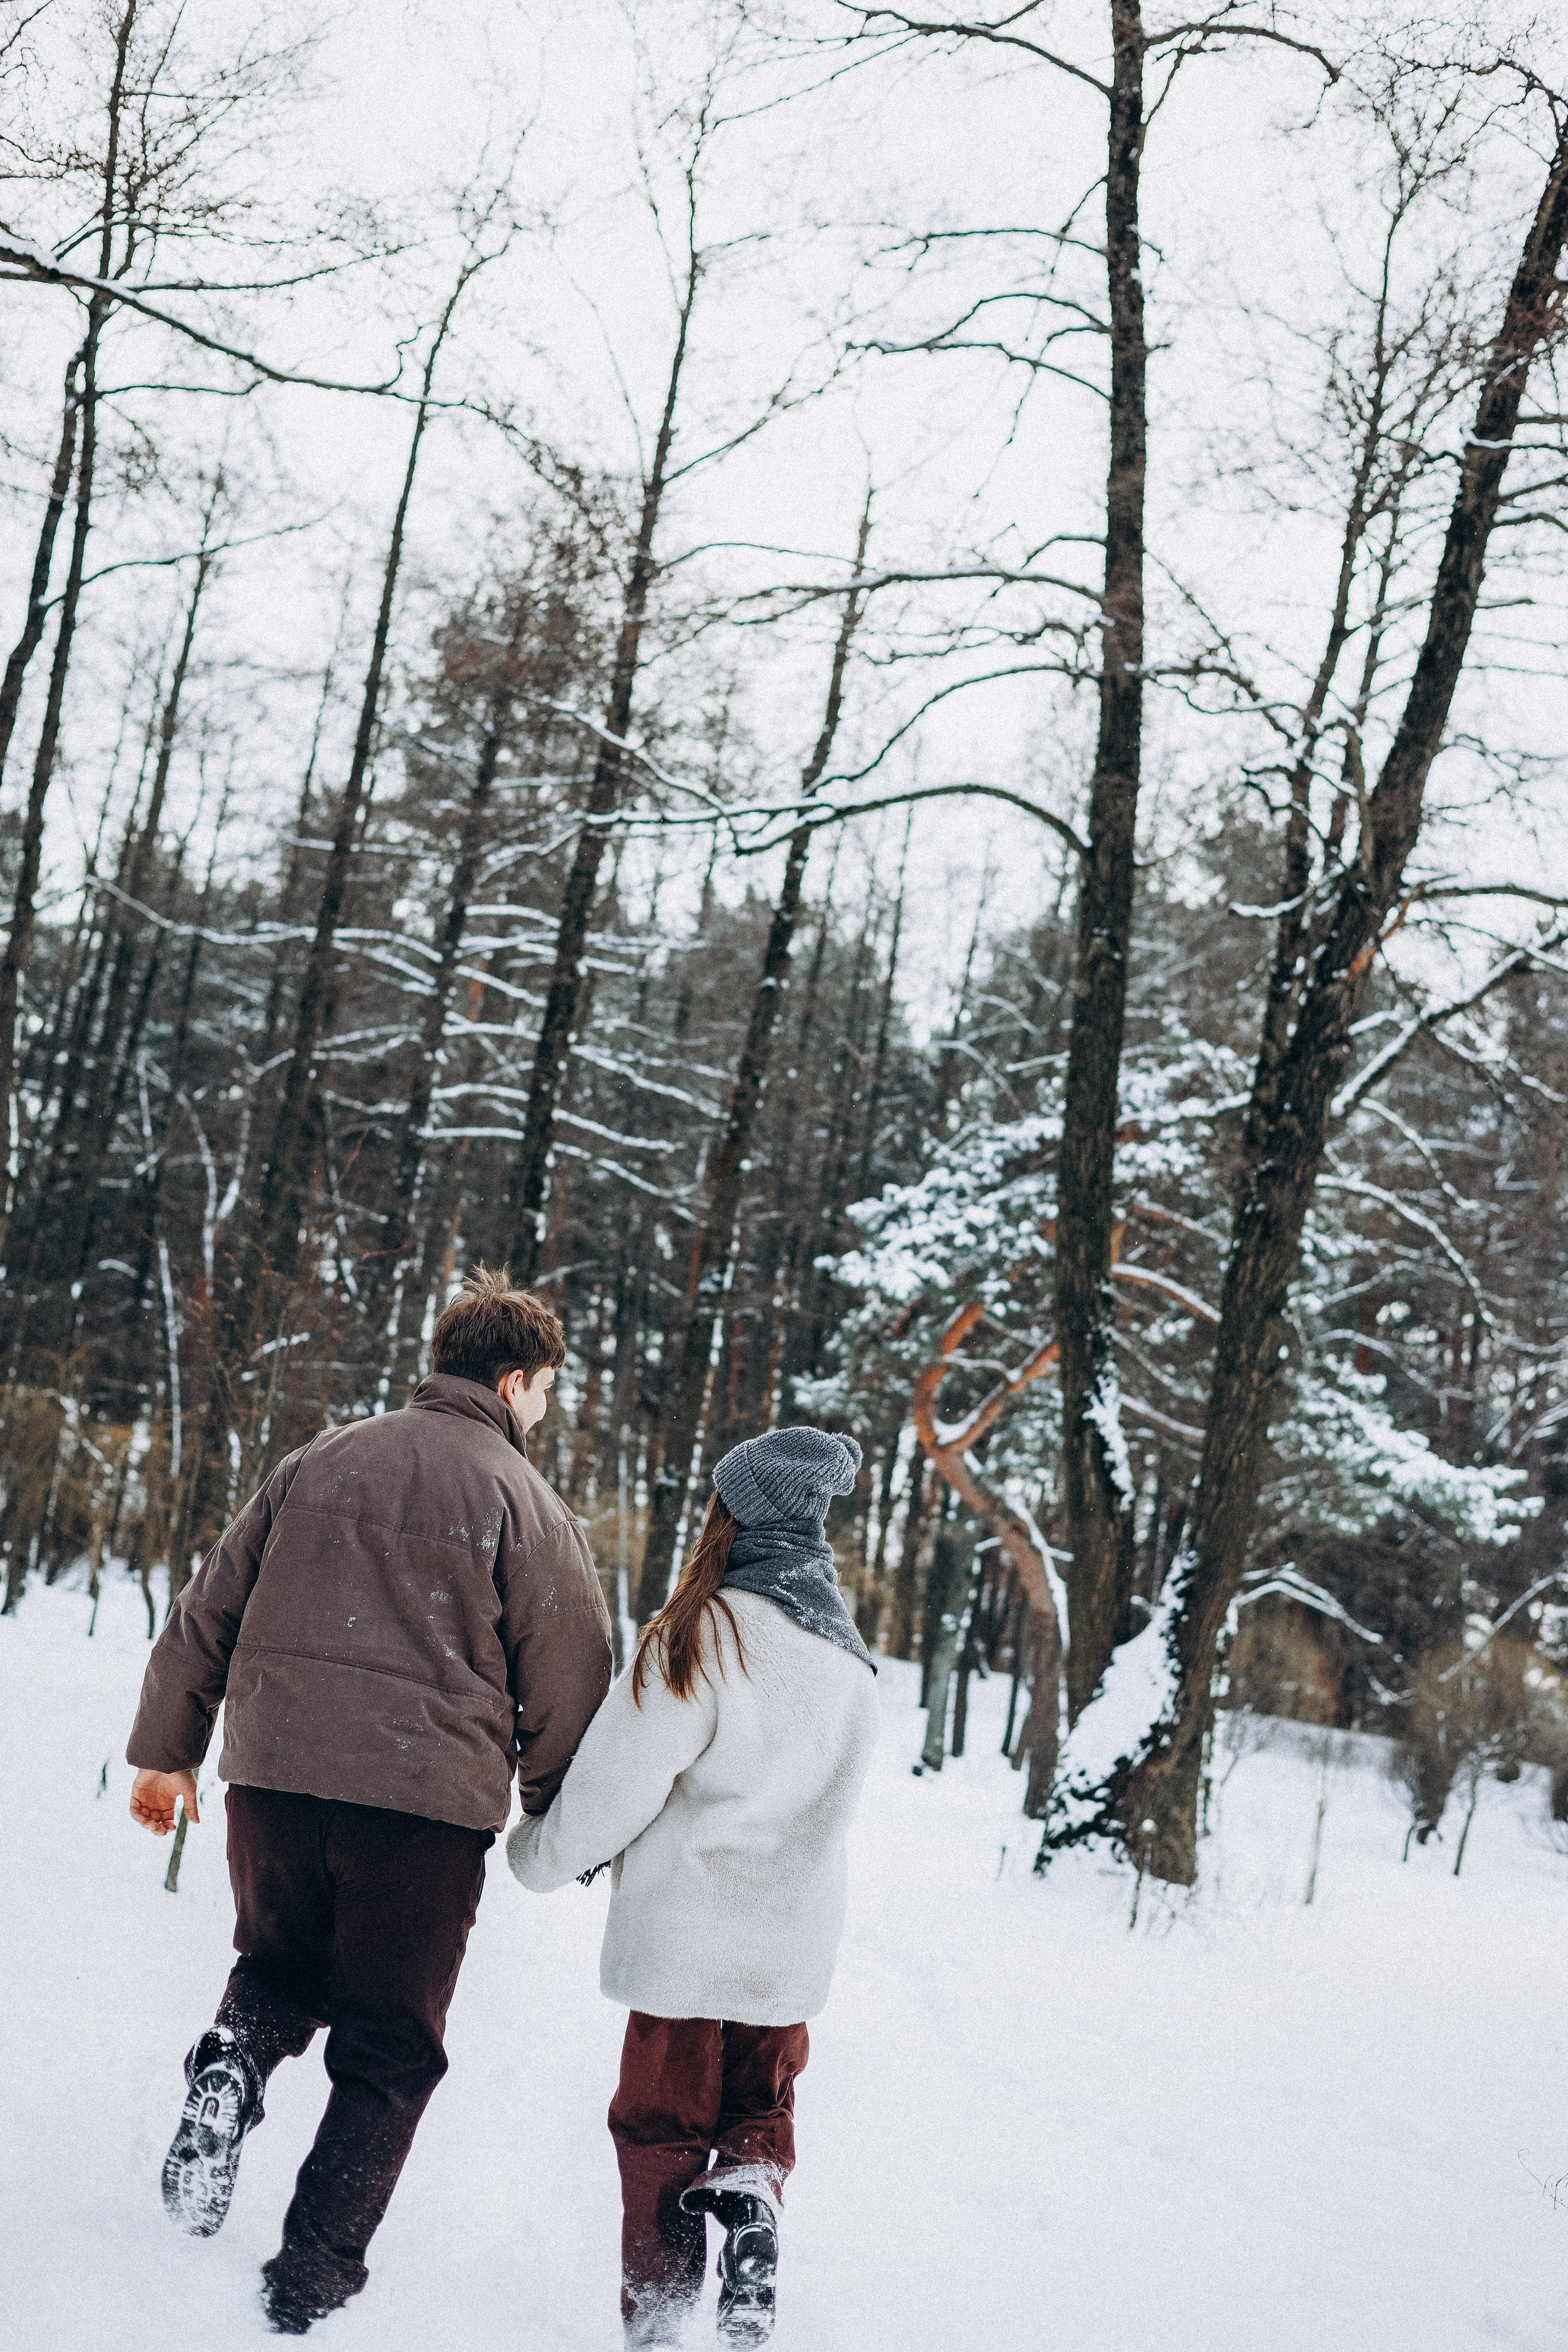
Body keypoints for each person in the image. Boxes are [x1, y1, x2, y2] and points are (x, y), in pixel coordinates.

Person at [126, 1268, 612, 2335]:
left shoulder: (320, 1458)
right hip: (422, 1812)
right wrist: (559, 1810)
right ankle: (312, 2276)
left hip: (275, 1777)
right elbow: (570, 1672)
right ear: (515, 1379)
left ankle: (232, 2062)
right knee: (391, 2043)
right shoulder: (524, 1501)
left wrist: (170, 1752)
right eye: (544, 1394)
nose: (542, 1413)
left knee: (277, 1967)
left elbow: (208, 1606)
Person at [509, 1423, 881, 2349]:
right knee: (761, 2111)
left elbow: (618, 1784)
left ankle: (662, 2321)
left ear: (735, 1513)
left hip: (684, 1940)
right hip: (792, 1945)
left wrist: (538, 1855)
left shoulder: (703, 1633)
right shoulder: (851, 1662)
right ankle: (754, 2192)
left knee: (660, 2132)